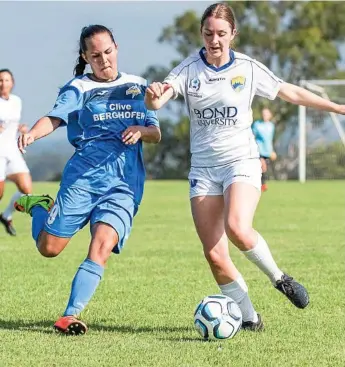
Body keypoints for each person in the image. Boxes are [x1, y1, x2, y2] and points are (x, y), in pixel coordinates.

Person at [145, 2, 345, 331]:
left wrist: (335, 106)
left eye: (222, 34)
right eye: (209, 33)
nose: (215, 40)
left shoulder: (248, 69)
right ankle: (250, 319)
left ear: (233, 34)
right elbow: (159, 98)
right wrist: (153, 97)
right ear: (202, 34)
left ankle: (279, 278)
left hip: (242, 161)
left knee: (238, 227)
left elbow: (289, 92)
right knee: (214, 254)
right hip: (204, 171)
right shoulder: (187, 70)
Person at [15, 25, 161, 335]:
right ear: (85, 57)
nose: (104, 60)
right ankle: (40, 206)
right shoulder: (78, 88)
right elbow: (55, 117)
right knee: (49, 248)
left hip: (123, 184)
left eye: (108, 52)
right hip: (83, 181)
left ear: (116, 48)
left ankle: (70, 315)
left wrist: (142, 132)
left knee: (102, 245)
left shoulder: (138, 86)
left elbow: (155, 130)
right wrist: (32, 134)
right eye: (95, 55)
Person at [0, 69, 32, 236]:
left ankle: (6, 216)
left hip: (12, 151)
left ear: (12, 83)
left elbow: (13, 123)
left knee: (26, 189)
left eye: (6, 80)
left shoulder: (17, 101)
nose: (3, 83)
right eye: (0, 80)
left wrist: (21, 129)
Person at [252, 108, 277, 192]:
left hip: (267, 150)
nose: (264, 115)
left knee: (264, 169)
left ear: (270, 115)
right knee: (263, 167)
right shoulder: (257, 124)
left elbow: (270, 139)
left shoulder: (271, 126)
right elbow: (252, 136)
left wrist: (272, 150)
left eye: (266, 114)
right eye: (263, 113)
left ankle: (260, 184)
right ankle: (262, 185)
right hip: (259, 149)